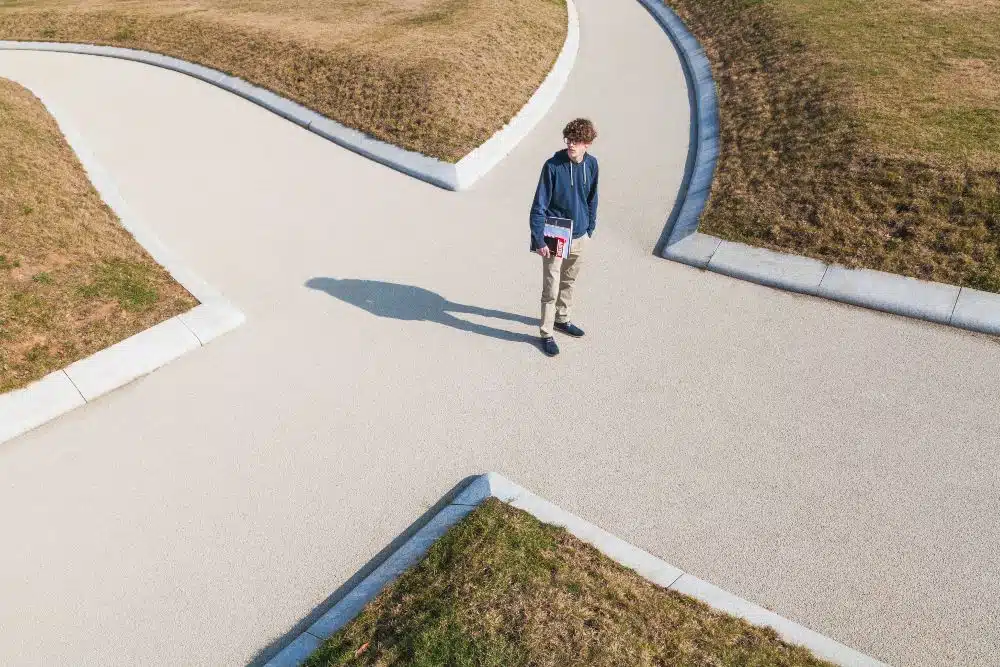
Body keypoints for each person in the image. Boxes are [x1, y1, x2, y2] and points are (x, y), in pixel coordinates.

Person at [528, 118, 599, 357]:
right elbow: (539, 205)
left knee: (569, 282)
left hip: (580, 235)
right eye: (569, 140)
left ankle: (562, 319)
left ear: (587, 144)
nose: (571, 145)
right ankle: (546, 333)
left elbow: (592, 198)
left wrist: (590, 228)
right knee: (551, 287)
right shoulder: (552, 166)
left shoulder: (592, 165)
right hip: (556, 234)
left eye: (576, 141)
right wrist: (538, 239)